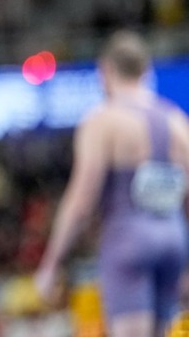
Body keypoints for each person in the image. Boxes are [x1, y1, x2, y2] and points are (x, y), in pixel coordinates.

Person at [33, 29, 189, 337]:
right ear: (147, 70)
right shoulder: (177, 121)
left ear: (104, 71)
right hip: (173, 239)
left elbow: (82, 197)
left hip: (127, 240)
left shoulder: (103, 121)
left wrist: (51, 262)